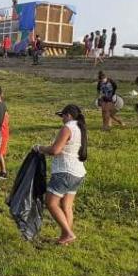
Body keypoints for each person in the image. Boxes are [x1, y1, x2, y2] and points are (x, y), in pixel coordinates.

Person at [33, 104, 88, 246]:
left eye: (62, 116)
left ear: (68, 115)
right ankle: (65, 238)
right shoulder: (80, 128)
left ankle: (68, 233)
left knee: (51, 203)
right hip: (78, 172)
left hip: (64, 171)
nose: (62, 119)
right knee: (66, 206)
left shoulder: (68, 128)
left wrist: (40, 148)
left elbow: (55, 150)